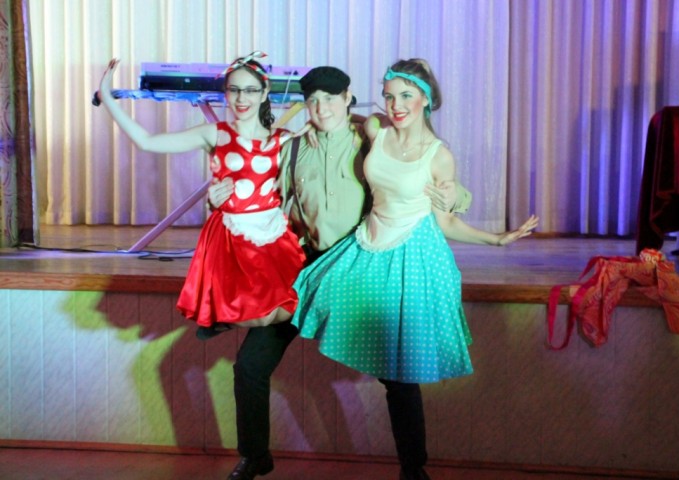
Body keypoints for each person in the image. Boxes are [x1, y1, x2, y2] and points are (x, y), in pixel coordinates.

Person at [207, 65, 472, 480]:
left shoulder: (372, 138)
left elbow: (425, 176)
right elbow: (255, 195)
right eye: (312, 100)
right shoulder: (291, 147)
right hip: (305, 269)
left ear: (348, 98)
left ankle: (413, 468)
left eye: (330, 99)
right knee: (250, 366)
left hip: (358, 265)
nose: (321, 108)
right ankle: (255, 455)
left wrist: (457, 194)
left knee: (397, 375)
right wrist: (217, 198)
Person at [290, 59, 539, 479]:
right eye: (389, 96)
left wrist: (496, 239)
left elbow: (448, 222)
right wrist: (313, 128)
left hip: (412, 256)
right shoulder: (375, 129)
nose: (396, 105)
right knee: (312, 298)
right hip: (368, 246)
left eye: (406, 96)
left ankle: (413, 469)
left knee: (402, 376)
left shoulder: (439, 156)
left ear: (427, 98)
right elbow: (340, 117)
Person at [97, 51, 306, 331]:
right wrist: (107, 97)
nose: (241, 98)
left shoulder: (285, 139)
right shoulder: (215, 133)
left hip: (273, 234)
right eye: (234, 90)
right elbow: (147, 141)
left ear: (265, 92)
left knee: (285, 310)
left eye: (250, 90)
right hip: (232, 236)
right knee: (258, 316)